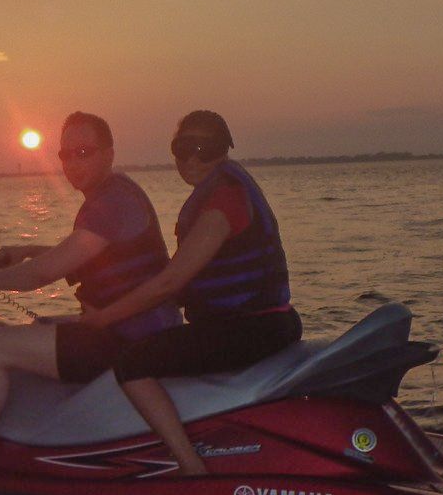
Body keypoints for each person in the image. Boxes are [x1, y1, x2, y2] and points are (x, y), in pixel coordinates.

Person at [0, 112, 181, 467]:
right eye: (65, 155)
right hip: (128, 327)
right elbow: (80, 257)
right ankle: (34, 450)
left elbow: (43, 274)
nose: (72, 163)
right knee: (39, 329)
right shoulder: (114, 194)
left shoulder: (111, 203)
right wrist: (24, 251)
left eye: (84, 152)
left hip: (126, 338)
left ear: (109, 154)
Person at [80, 110, 300, 475]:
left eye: (206, 148)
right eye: (183, 148)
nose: (193, 158)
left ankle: (190, 467)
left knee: (132, 365)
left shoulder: (224, 199)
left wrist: (100, 320)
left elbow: (171, 282)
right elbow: (185, 281)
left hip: (251, 329)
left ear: (224, 150)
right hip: (253, 324)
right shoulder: (218, 189)